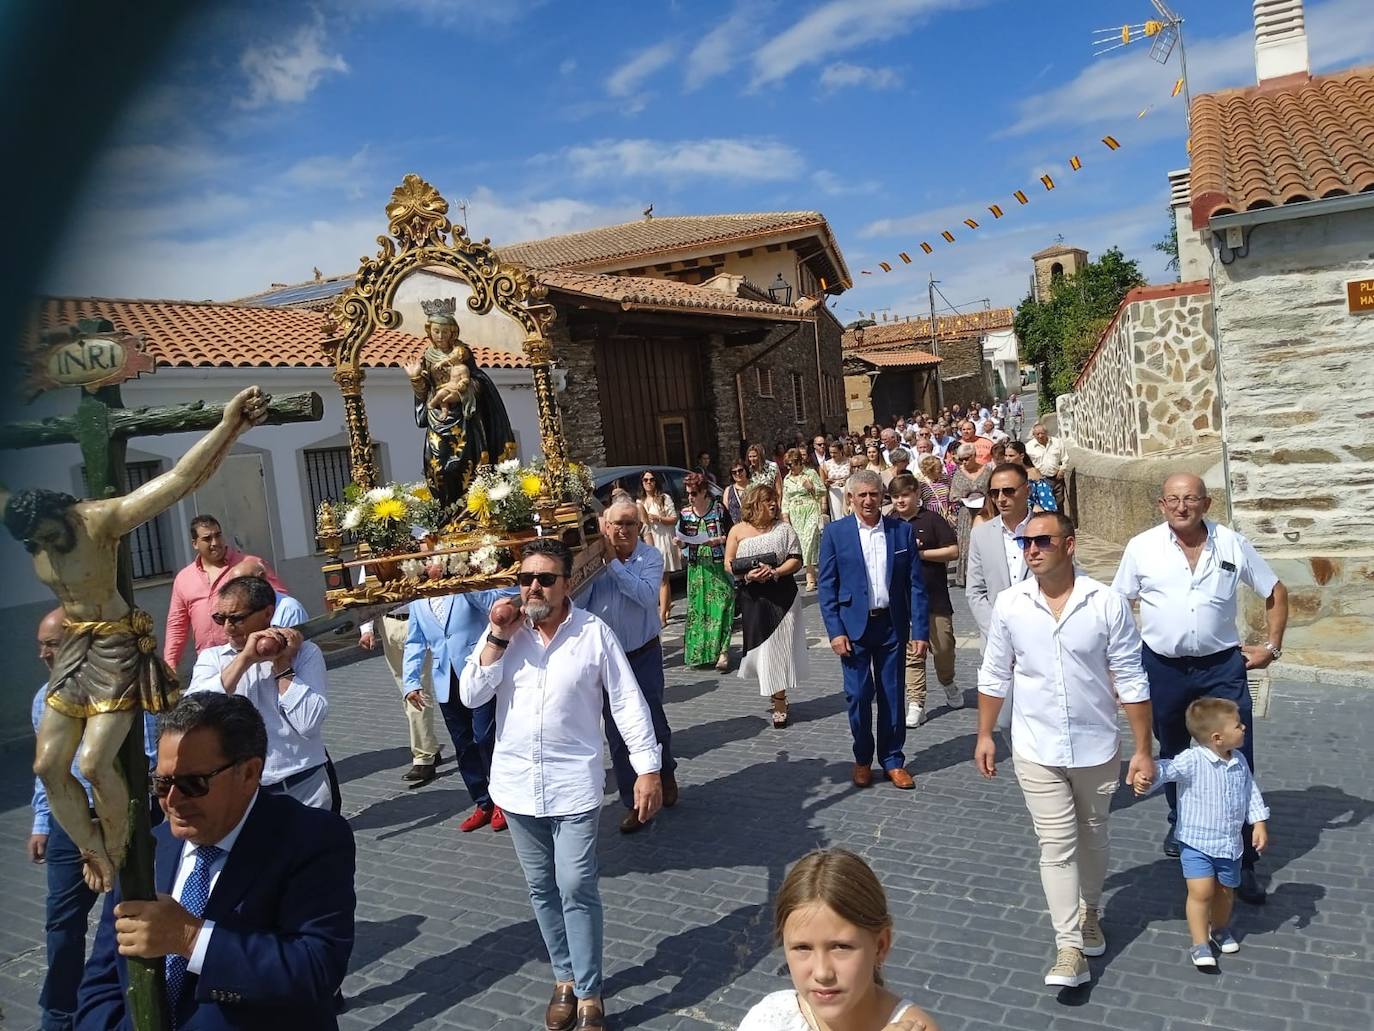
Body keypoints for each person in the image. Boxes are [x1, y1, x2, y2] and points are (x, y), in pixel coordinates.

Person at [2, 386, 268, 893]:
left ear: (62, 516)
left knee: (93, 763)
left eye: (47, 537)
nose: (42, 548)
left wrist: (231, 424)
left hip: (115, 648)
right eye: (32, 544)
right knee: (47, 765)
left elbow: (179, 479)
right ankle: (92, 847)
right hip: (74, 648)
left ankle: (120, 850)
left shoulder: (98, 520)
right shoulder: (31, 527)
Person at [460, 539, 663, 1031]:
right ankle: (564, 979)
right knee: (541, 887)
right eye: (526, 578)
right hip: (517, 784)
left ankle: (590, 991)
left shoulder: (594, 634)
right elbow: (470, 695)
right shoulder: (507, 634)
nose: (534, 587)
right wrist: (496, 635)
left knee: (575, 883)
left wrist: (648, 769)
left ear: (566, 584)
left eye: (545, 578)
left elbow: (628, 704)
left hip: (574, 783)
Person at [76, 693, 355, 1029]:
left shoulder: (311, 838)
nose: (173, 801)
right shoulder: (145, 849)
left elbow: (315, 969)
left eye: (193, 783)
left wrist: (188, 937)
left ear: (250, 773)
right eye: (162, 784)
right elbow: (102, 983)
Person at [975, 511, 1154, 989]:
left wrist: (1142, 749)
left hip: (1096, 745)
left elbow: (1132, 679)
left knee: (1094, 835)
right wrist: (986, 733)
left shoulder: (1106, 603)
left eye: (1042, 541)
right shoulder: (1011, 604)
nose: (1031, 549)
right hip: (1035, 746)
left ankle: (1090, 911)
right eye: (1025, 542)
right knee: (1055, 846)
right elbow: (994, 673)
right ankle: (1068, 946)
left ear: (1069, 545)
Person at [1112, 473, 1288, 904]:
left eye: (1190, 498)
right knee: (1172, 751)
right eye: (1173, 499)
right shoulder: (1142, 547)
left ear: (1206, 504)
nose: (1181, 506)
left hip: (1220, 668)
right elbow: (1117, 606)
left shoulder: (1230, 543)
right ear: (1161, 505)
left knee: (1235, 758)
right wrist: (1118, 667)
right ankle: (1182, 820)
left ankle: (1242, 861)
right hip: (1163, 668)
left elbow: (1276, 590)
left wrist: (1271, 647)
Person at [28, 609, 157, 1031]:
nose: (45, 654)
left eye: (53, 644)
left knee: (126, 916)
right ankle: (59, 1015)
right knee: (62, 922)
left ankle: (134, 1002)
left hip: (127, 818)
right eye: (42, 645)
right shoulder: (41, 699)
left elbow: (150, 756)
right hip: (71, 825)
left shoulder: (124, 690)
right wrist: (42, 824)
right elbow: (46, 772)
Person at [1132, 698, 1271, 968]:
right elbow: (1166, 769)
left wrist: (1259, 822)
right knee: (1201, 892)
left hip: (1230, 843)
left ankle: (1219, 929)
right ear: (1217, 737)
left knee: (1225, 891)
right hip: (1196, 842)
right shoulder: (1193, 760)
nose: (1244, 728)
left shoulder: (1239, 760)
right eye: (1238, 725)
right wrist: (1146, 777)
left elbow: (1250, 792)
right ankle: (1200, 943)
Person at [738, 849, 941, 1031]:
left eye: (841, 947)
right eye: (802, 948)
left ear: (880, 945)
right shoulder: (770, 1018)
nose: (822, 973)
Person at [818, 470, 930, 790]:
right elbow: (827, 586)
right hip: (854, 628)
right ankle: (863, 758)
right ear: (850, 498)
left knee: (892, 695)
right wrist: (835, 631)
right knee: (858, 696)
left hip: (891, 626)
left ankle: (893, 759)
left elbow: (916, 586)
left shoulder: (900, 532)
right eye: (862, 495)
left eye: (874, 494)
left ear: (882, 496)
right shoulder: (836, 534)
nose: (869, 500)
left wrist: (919, 631)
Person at [189, 576, 332, 810]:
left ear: (267, 613)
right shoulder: (211, 659)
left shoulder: (305, 654)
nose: (227, 628)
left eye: (236, 619)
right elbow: (196, 715)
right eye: (219, 618)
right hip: (245, 797)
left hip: (306, 788)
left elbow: (308, 723)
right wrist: (244, 660)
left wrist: (282, 665)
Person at [584, 499, 680, 833]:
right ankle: (633, 802)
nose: (623, 530)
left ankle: (664, 770)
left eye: (630, 524)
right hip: (608, 663)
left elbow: (644, 595)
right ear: (605, 527)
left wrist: (613, 565)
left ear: (638, 527)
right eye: (617, 524)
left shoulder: (649, 557)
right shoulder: (593, 562)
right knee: (617, 732)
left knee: (653, 721)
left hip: (642, 654)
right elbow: (577, 605)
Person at [404, 584, 517, 832]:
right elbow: (414, 640)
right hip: (446, 679)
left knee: (485, 737)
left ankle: (503, 799)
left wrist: (463, 583)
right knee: (463, 744)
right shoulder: (418, 598)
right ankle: (483, 802)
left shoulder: (465, 585)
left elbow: (495, 604)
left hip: (479, 671)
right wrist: (411, 682)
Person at [404, 296, 518, 508]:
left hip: (465, 418)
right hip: (437, 417)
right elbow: (423, 392)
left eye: (444, 331)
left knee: (468, 462)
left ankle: (475, 507)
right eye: (436, 331)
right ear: (429, 332)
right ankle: (447, 509)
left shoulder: (462, 354)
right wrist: (416, 378)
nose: (440, 336)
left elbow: (479, 382)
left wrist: (464, 392)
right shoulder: (427, 356)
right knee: (438, 466)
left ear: (453, 332)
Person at [725, 484, 807, 729]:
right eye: (767, 500)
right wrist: (748, 575)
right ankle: (774, 691)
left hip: (782, 596)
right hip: (753, 597)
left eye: (774, 500)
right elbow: (729, 564)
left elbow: (796, 558)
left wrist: (775, 571)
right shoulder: (738, 530)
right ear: (754, 504)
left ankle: (779, 701)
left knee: (778, 650)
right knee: (762, 651)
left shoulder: (783, 529)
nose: (773, 504)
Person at [164, 514, 288, 669]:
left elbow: (280, 602)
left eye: (218, 535)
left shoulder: (250, 566)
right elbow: (177, 624)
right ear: (195, 543)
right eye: (207, 539)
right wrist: (170, 663)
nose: (215, 543)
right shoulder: (184, 578)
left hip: (250, 655)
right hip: (208, 661)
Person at [889, 476, 960, 728]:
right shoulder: (889, 523)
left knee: (943, 649)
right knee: (912, 654)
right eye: (895, 497)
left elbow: (953, 550)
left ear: (917, 495)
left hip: (935, 597)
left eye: (904, 495)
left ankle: (947, 681)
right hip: (903, 602)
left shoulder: (932, 520)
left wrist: (920, 554)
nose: (900, 501)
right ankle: (916, 703)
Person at [361, 596, 441, 787]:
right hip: (388, 623)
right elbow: (365, 594)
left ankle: (423, 758)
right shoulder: (372, 566)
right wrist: (367, 629)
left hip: (416, 620)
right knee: (405, 690)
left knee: (416, 691)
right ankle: (429, 744)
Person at [674, 475, 734, 673]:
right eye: (688, 494)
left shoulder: (718, 509)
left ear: (703, 492)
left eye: (693, 493)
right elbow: (682, 539)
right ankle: (703, 653)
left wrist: (716, 540)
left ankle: (723, 651)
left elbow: (732, 533)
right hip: (697, 568)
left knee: (723, 604)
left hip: (717, 565)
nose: (690, 497)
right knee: (700, 610)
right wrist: (680, 543)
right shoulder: (685, 513)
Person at [637, 470, 681, 626]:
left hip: (663, 539)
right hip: (648, 541)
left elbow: (674, 519)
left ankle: (662, 615)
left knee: (663, 578)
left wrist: (659, 518)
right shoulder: (640, 502)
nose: (648, 482)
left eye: (651, 480)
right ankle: (666, 607)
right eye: (645, 480)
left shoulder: (664, 499)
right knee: (658, 578)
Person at [781, 447, 826, 592]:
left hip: (810, 509)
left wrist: (811, 487)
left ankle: (810, 578)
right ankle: (814, 570)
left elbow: (822, 490)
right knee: (803, 543)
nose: (789, 468)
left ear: (799, 462)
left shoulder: (810, 473)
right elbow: (785, 499)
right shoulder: (787, 479)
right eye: (787, 465)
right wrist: (785, 517)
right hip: (796, 513)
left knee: (809, 540)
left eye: (791, 464)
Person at [947, 443, 989, 588]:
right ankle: (966, 577)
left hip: (984, 511)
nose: (964, 462)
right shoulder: (958, 473)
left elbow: (992, 489)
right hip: (966, 512)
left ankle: (985, 575)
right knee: (965, 545)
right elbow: (952, 495)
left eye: (967, 458)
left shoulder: (986, 470)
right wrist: (964, 496)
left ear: (974, 456)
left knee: (984, 544)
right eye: (961, 459)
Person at [226, 556, 308, 628]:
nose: (236, 591)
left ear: (262, 577)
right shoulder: (236, 610)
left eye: (242, 583)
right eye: (232, 586)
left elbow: (293, 644)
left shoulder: (288, 608)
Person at [1026, 423, 1068, 514]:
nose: (1040, 436)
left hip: (1056, 478)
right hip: (1040, 481)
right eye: (1037, 434)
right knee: (1044, 504)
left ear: (1047, 433)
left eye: (1042, 433)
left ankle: (1059, 523)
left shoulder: (1057, 442)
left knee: (1059, 503)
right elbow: (1027, 464)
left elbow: (1065, 458)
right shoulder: (1029, 447)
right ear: (1034, 435)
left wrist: (1062, 470)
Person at [1006, 440, 1056, 512]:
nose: (1007, 459)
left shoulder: (1033, 473)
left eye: (1011, 456)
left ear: (1021, 456)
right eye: (1006, 455)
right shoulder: (1005, 474)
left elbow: (1045, 497)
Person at [917, 455, 951, 523]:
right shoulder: (920, 482)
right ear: (929, 470)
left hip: (947, 516)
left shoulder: (945, 478)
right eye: (938, 469)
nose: (942, 470)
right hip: (930, 516)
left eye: (941, 467)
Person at [823, 441, 852, 520]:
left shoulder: (849, 461)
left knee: (849, 513)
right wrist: (827, 482)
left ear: (841, 450)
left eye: (835, 452)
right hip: (834, 492)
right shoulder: (826, 464)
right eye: (830, 452)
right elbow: (823, 482)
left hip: (847, 490)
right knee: (837, 516)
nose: (832, 455)